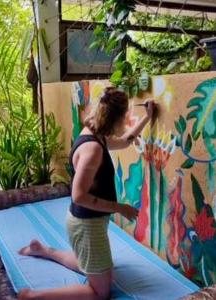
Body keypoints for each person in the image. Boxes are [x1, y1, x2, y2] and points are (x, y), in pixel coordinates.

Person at [17, 87, 157, 300]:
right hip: (86, 225)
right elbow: (79, 195)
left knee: (95, 268)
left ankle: (43, 250)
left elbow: (126, 140)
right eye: (125, 116)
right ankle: (33, 296)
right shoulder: (93, 149)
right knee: (101, 292)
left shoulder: (95, 135)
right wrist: (120, 208)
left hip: (88, 223)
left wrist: (147, 118)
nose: (127, 120)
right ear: (115, 118)